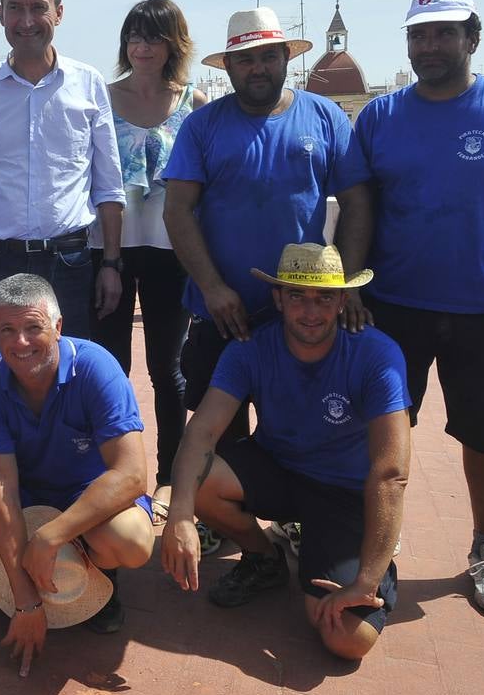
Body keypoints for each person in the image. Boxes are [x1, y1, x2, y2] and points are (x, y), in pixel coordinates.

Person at [333, 0, 484, 616]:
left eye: (442, 33)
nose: (428, 47)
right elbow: (360, 211)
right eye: (417, 36)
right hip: (394, 307)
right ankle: (384, 538)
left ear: (472, 38)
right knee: (382, 430)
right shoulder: (380, 117)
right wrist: (350, 288)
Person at [162, 244, 411, 660]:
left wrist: (365, 582)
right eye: (297, 296)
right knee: (200, 481)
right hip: (279, 468)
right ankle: (264, 559)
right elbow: (201, 432)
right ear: (278, 297)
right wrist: (181, 515)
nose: (310, 311)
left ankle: (369, 559)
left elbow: (391, 472)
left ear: (342, 300)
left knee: (347, 639)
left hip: (344, 492)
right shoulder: (250, 348)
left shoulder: (376, 354)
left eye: (324, 298)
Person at [0, 273, 154, 675]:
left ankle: (97, 573)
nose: (20, 343)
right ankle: (1, 566)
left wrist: (51, 536)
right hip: (22, 489)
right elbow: (2, 491)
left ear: (59, 326)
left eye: (34, 328)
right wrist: (25, 601)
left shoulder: (97, 367)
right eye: (7, 331)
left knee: (133, 541)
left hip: (84, 495)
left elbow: (133, 475)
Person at [162, 7, 350, 487]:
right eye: (245, 60)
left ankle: (293, 522)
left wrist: (344, 282)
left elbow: (359, 201)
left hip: (299, 311)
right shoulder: (202, 126)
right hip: (219, 310)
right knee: (217, 431)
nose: (258, 68)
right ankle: (227, 526)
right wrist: (212, 288)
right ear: (227, 66)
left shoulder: (325, 116)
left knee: (299, 428)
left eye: (268, 56)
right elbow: (177, 210)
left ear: (287, 57)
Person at [0, 0, 125, 366]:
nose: (26, 20)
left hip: (68, 263)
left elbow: (109, 186)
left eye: (38, 7)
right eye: (15, 8)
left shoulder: (88, 83)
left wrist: (113, 264)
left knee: (68, 378)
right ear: (1, 15)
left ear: (59, 13)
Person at [92, 0, 214, 550]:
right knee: (111, 366)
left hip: (170, 252)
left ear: (173, 44)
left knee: (169, 369)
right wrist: (110, 261)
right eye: (133, 36)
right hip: (111, 248)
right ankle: (116, 473)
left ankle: (169, 476)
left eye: (153, 37)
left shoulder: (197, 102)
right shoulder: (102, 97)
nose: (141, 47)